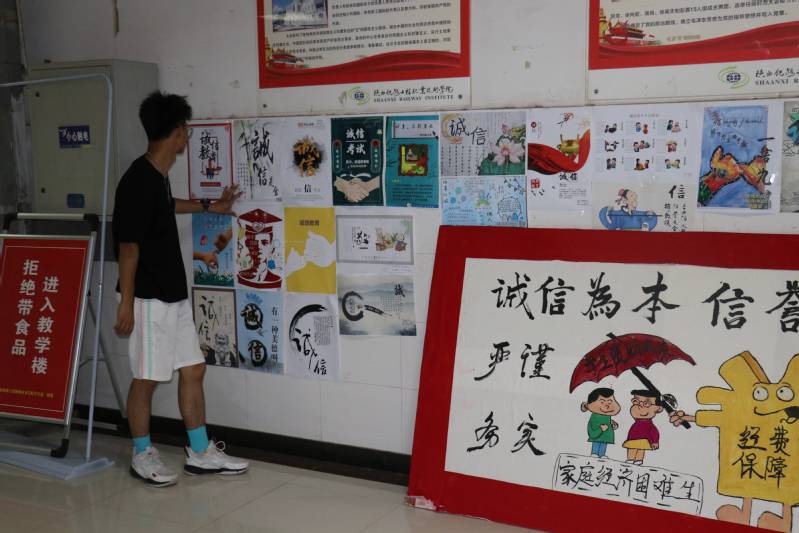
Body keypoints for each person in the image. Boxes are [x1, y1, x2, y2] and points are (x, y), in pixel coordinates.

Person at [113, 91, 247, 487]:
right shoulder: (137, 180)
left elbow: (168, 206)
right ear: (176, 133)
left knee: (193, 367)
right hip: (147, 297)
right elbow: (128, 247)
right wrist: (126, 303)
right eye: (185, 129)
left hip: (172, 292)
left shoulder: (157, 176)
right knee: (147, 377)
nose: (187, 136)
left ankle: (200, 451)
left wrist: (211, 207)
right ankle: (142, 453)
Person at [622, 389, 672, 465]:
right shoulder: (636, 423)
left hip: (644, 440)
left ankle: (639, 459)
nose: (640, 406)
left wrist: (655, 442)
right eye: (636, 401)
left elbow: (654, 432)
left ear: (658, 408)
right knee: (631, 448)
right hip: (632, 438)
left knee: (640, 449)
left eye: (647, 403)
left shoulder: (649, 425)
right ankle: (630, 458)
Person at [580, 387, 620, 458]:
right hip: (597, 436)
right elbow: (591, 430)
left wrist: (613, 424)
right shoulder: (594, 417)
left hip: (605, 437)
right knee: (597, 443)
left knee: (603, 444)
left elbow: (608, 423)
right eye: (602, 402)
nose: (607, 405)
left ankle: (602, 454)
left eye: (610, 402)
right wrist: (600, 429)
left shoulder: (607, 416)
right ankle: (594, 453)